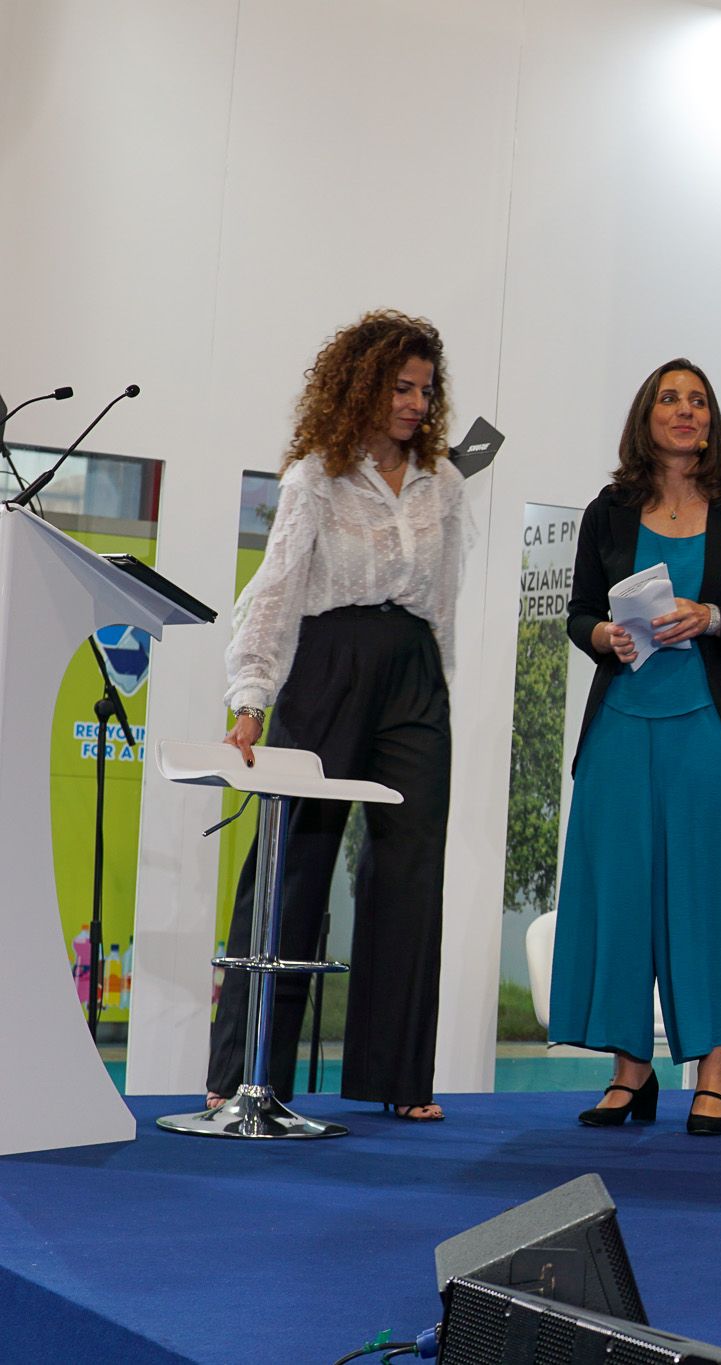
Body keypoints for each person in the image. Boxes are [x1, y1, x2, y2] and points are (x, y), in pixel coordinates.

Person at [210, 309, 469, 1122]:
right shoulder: (315, 478)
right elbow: (277, 589)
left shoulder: (443, 483)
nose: (416, 404)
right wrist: (251, 697)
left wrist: (437, 687)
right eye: (401, 387)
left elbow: (444, 600)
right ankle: (246, 1070)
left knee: (412, 866)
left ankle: (398, 1079)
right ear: (361, 387)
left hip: (414, 672)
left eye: (425, 390)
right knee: (294, 862)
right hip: (328, 664)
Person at [550, 357, 721, 1135]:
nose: (685, 410)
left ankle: (713, 1074)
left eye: (697, 400)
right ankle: (630, 1071)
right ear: (646, 416)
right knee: (621, 897)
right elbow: (577, 611)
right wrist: (602, 634)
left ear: (711, 419)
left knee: (709, 898)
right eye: (670, 398)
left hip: (710, 732)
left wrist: (713, 616)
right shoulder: (608, 511)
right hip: (620, 730)